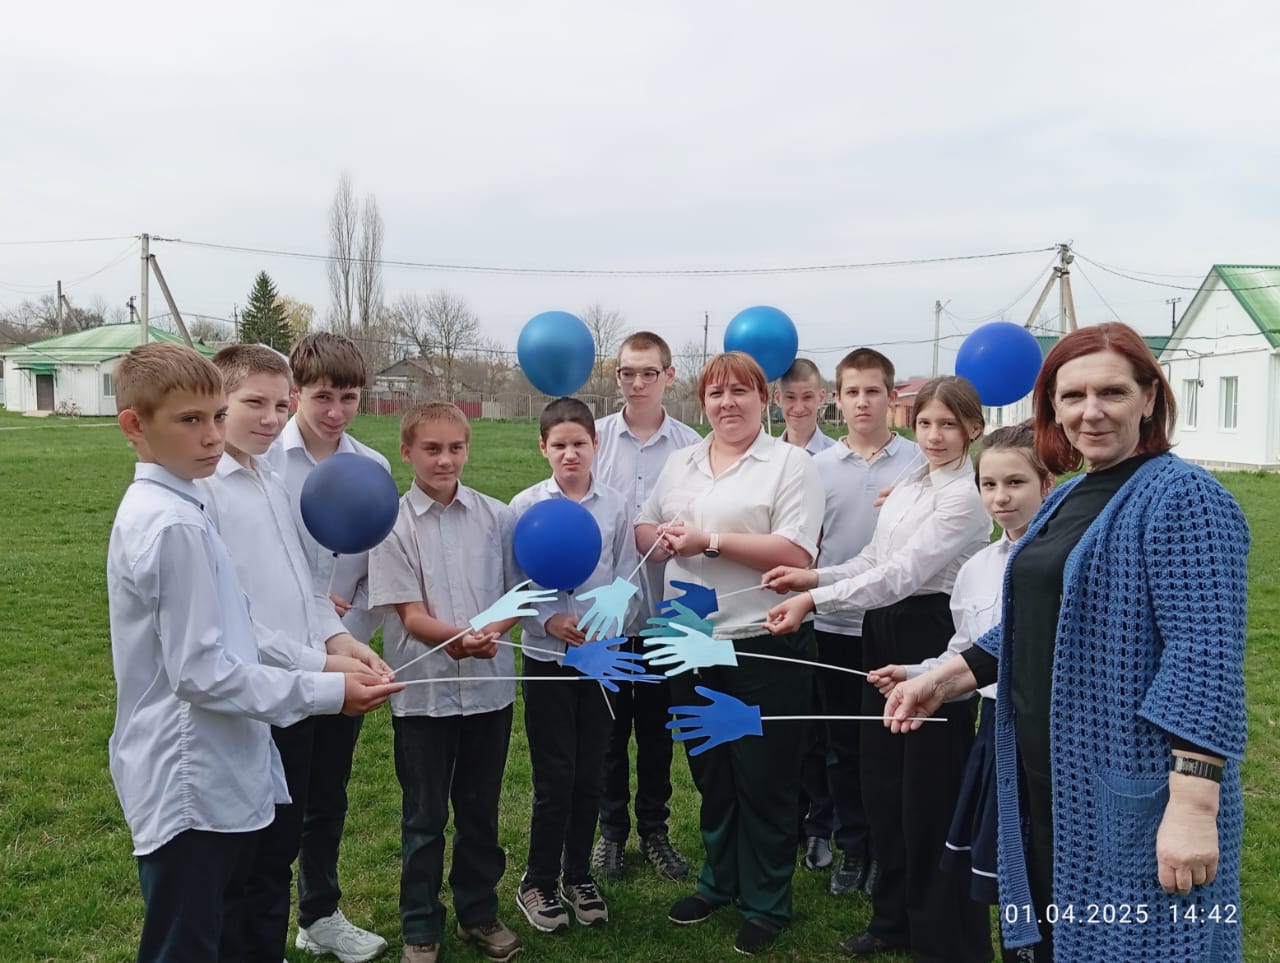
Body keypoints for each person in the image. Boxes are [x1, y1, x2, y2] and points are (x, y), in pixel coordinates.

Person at [885, 323, 1250, 963]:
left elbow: (1204, 660)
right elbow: (1033, 622)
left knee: (1138, 947)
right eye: (1073, 395)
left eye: (1112, 392)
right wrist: (942, 680)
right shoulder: (1073, 495)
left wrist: (1194, 806)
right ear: (1052, 406)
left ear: (1149, 398)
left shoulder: (1185, 498)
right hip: (1045, 786)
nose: (1091, 411)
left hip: (1131, 793)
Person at [105, 343, 400, 963]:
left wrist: (334, 648)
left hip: (246, 731)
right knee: (197, 927)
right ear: (135, 425)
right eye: (195, 419)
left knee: (261, 878)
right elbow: (204, 668)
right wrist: (326, 685)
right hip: (199, 758)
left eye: (216, 417)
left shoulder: (250, 481)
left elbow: (275, 596)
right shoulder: (183, 513)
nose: (213, 434)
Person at [764, 375, 993, 962]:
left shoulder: (966, 495)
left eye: (948, 425)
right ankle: (892, 919)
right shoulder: (913, 480)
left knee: (928, 797)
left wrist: (814, 601)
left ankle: (940, 935)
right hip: (882, 630)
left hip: (930, 636)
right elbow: (874, 558)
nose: (935, 436)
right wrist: (814, 577)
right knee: (884, 787)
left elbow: (902, 575)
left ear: (974, 428)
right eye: (926, 423)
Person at [195, 345, 396, 963]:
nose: (270, 417)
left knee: (303, 818)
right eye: (255, 403)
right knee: (252, 847)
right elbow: (234, 619)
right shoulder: (218, 487)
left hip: (316, 670)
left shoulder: (274, 480)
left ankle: (307, 922)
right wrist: (323, 665)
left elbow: (306, 584)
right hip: (259, 690)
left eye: (277, 405)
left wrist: (341, 639)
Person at [637, 351, 825, 957]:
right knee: (712, 771)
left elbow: (796, 553)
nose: (727, 404)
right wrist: (662, 541)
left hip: (763, 642)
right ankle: (718, 881)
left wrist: (709, 541)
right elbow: (644, 527)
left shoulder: (789, 464)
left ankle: (766, 900)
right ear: (703, 402)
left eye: (740, 392)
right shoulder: (681, 462)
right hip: (687, 638)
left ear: (762, 400)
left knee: (765, 777)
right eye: (716, 393)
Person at [869, 425, 1053, 943]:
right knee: (1007, 870)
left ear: (1047, 484)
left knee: (1049, 865)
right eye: (988, 485)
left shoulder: (1064, 563)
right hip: (994, 730)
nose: (1001, 497)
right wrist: (918, 674)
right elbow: (967, 654)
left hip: (1049, 732)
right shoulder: (976, 569)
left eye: (1015, 482)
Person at [367, 402, 524, 963]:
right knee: (425, 817)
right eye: (431, 449)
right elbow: (410, 615)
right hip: (425, 698)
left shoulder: (497, 517)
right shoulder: (391, 525)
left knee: (480, 812)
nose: (445, 460)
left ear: (467, 449)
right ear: (406, 451)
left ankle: (477, 913)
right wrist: (457, 637)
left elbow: (517, 595)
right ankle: (420, 923)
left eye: (455, 448)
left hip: (488, 693)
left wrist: (491, 631)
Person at [265, 332, 392, 963]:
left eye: (349, 397)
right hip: (280, 660)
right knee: (278, 797)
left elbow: (379, 563)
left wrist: (351, 619)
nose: (337, 411)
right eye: (322, 397)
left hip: (349, 659)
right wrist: (312, 615)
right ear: (296, 393)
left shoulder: (373, 466)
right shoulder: (267, 462)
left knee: (328, 794)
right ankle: (263, 919)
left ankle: (319, 914)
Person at [509, 397, 641, 935]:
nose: (570, 454)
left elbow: (627, 575)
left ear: (596, 445)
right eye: (559, 445)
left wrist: (610, 621)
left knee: (591, 772)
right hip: (547, 660)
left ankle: (578, 874)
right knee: (555, 775)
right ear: (543, 447)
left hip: (601, 658)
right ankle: (537, 880)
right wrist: (548, 621)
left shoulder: (615, 506)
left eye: (579, 444)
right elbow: (512, 584)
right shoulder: (523, 507)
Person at [591, 331, 701, 882]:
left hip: (667, 612)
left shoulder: (691, 448)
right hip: (605, 615)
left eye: (648, 373)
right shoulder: (594, 439)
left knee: (658, 731)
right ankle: (610, 832)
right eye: (627, 373)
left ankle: (654, 830)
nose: (637, 383)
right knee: (609, 730)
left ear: (668, 376)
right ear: (617, 377)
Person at [810, 348, 920, 896]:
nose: (862, 401)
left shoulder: (920, 462)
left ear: (891, 396)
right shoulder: (817, 468)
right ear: (837, 399)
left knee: (891, 743)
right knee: (842, 745)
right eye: (851, 392)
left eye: (872, 391)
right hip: (833, 626)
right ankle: (852, 845)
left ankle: (888, 848)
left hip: (897, 626)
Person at [774, 357, 839, 871]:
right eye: (790, 398)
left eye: (807, 397)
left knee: (821, 726)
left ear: (823, 398)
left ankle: (821, 824)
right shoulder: (764, 456)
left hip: (824, 605)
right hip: (773, 604)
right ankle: (787, 817)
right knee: (782, 722)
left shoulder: (834, 460)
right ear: (778, 401)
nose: (798, 407)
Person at [776, 357, 836, 454]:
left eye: (807, 397)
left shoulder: (837, 457)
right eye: (790, 397)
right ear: (778, 398)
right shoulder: (767, 457)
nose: (798, 409)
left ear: (821, 397)